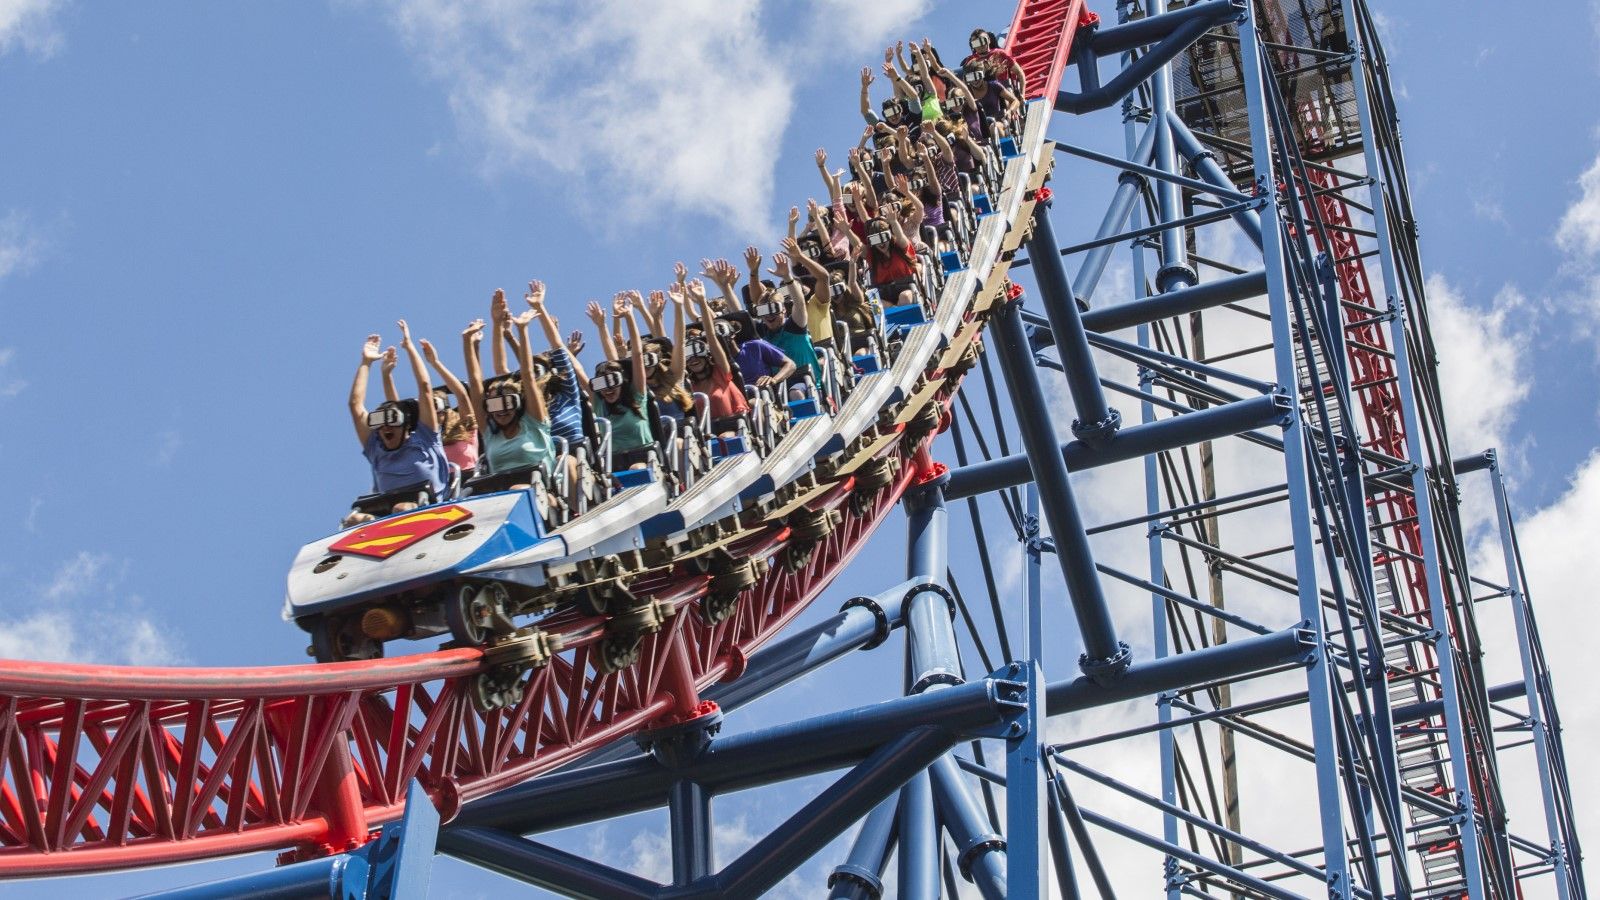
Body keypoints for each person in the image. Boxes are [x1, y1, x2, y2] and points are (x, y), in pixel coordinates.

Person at [344, 324, 448, 526]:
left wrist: (410, 348)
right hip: (387, 518)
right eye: (381, 423)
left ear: (406, 425)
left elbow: (425, 389)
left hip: (430, 509)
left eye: (392, 420)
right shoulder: (376, 447)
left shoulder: (425, 437)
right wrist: (366, 362)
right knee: (353, 519)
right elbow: (355, 405)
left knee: (400, 508)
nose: (385, 428)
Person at [471, 309, 555, 489]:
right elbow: (475, 384)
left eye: (508, 403)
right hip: (500, 500)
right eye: (494, 405)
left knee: (516, 489)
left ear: (518, 404)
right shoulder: (490, 433)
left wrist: (522, 330)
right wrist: (469, 345)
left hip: (541, 494)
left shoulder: (534, 423)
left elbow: (528, 375)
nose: (501, 410)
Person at [587, 301, 656, 470]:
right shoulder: (600, 405)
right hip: (613, 466)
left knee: (636, 469)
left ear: (622, 382)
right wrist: (601, 326)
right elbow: (578, 370)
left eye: (613, 382)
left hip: (644, 459)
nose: (608, 389)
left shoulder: (637, 397)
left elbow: (638, 355)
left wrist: (629, 317)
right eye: (602, 384)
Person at [752, 250, 822, 400]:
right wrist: (753, 273)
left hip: (806, 383)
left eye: (774, 309)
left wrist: (787, 277)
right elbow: (739, 320)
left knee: (795, 392)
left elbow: (800, 303)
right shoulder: (763, 333)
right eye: (764, 311)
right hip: (778, 387)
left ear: (784, 310)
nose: (769, 315)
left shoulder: (795, 326)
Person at [683, 280, 751, 438]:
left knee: (723, 437)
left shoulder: (720, 372)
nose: (693, 359)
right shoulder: (691, 386)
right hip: (708, 435)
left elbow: (712, 336)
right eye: (688, 354)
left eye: (697, 351)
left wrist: (701, 301)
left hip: (737, 427)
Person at [863, 212, 920, 309]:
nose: (881, 243)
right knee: (874, 304)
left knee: (904, 297)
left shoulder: (899, 246)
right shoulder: (873, 256)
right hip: (886, 295)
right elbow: (858, 246)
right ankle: (896, 314)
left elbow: (900, 236)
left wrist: (894, 222)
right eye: (876, 239)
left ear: (889, 236)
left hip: (908, 289)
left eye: (884, 237)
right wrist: (847, 231)